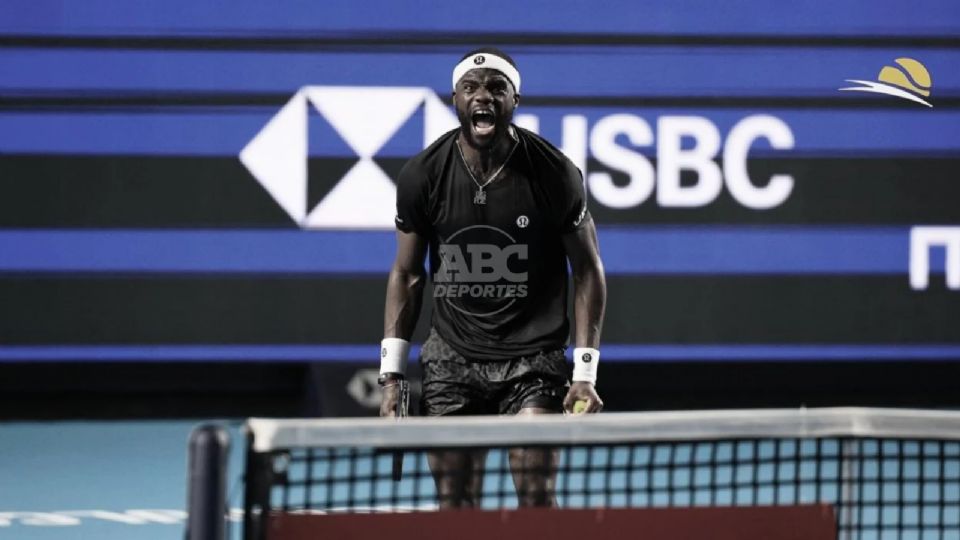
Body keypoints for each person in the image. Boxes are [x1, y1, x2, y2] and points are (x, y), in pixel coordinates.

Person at [379, 47, 606, 508]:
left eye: (496, 88)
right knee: (456, 502)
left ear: (515, 99)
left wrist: (584, 372)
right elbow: (407, 274)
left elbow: (587, 269)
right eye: (472, 88)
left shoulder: (555, 174)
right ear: (455, 99)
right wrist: (391, 377)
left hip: (533, 358)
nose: (484, 97)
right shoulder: (422, 175)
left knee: (536, 490)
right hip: (452, 355)